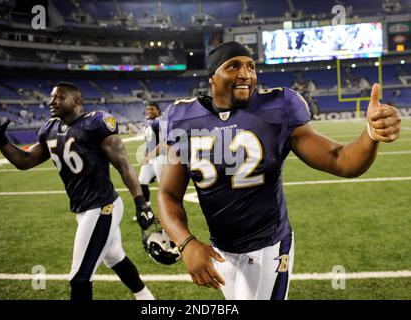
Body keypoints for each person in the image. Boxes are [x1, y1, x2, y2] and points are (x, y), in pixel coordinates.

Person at [157, 41, 401, 300]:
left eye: (251, 66)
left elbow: (341, 160)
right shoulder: (183, 118)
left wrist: (371, 134)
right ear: (212, 79)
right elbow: (168, 194)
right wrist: (186, 244)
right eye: (233, 66)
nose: (246, 74)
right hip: (221, 250)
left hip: (269, 247)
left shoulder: (277, 109)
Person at [0, 82, 156, 300]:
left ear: (77, 101)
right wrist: (1, 141)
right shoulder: (50, 128)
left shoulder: (96, 122)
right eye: (51, 97)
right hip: (83, 208)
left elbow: (123, 165)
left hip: (101, 206)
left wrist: (141, 203)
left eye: (59, 97)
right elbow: (24, 161)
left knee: (79, 278)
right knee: (114, 256)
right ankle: (146, 298)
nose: (52, 101)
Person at [133, 102, 164, 222]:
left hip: (161, 157)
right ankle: (146, 211)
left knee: (163, 186)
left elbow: (163, 143)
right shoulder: (148, 122)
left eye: (152, 109)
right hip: (151, 158)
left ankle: (166, 214)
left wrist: (149, 155)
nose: (149, 111)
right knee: (142, 182)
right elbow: (149, 142)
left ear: (158, 110)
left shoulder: (160, 122)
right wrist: (146, 154)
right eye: (147, 109)